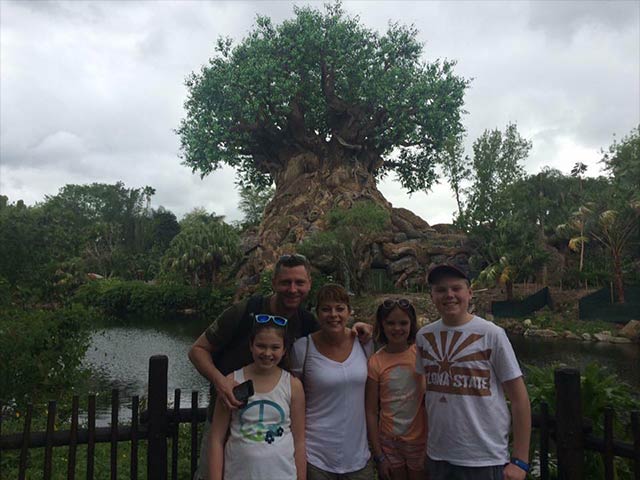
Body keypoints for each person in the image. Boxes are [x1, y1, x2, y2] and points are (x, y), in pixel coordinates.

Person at [189, 254, 372, 479]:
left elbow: (333, 329)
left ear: (309, 285)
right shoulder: (245, 311)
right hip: (228, 413)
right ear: (274, 283)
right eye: (286, 282)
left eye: (299, 282)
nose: (293, 289)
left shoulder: (306, 322)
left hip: (274, 428)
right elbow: (197, 350)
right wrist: (220, 382)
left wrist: (358, 328)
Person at [415, 264, 532, 480]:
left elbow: (519, 398)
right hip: (438, 456)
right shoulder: (424, 336)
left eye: (456, 288)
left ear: (469, 293)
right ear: (432, 296)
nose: (449, 295)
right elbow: (427, 396)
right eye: (440, 290)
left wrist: (520, 461)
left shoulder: (492, 334)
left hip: (483, 458)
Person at [290, 284, 375, 480]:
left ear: (349, 312)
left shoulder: (364, 343)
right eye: (326, 309)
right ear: (317, 313)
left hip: (358, 457)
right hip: (316, 455)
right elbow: (294, 401)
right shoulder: (303, 348)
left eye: (339, 308)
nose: (333, 315)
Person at [208, 315, 306, 480]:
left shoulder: (293, 385)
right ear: (251, 346)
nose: (267, 353)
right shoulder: (232, 382)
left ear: (284, 350)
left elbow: (299, 440)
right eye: (261, 346)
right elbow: (216, 439)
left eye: (275, 347)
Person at [365, 298, 427, 480]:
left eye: (403, 323)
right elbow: (371, 410)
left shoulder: (420, 354)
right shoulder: (375, 361)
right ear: (382, 325)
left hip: (419, 440)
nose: (397, 328)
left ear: (411, 324)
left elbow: (431, 400)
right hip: (389, 441)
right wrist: (379, 455)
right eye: (390, 323)